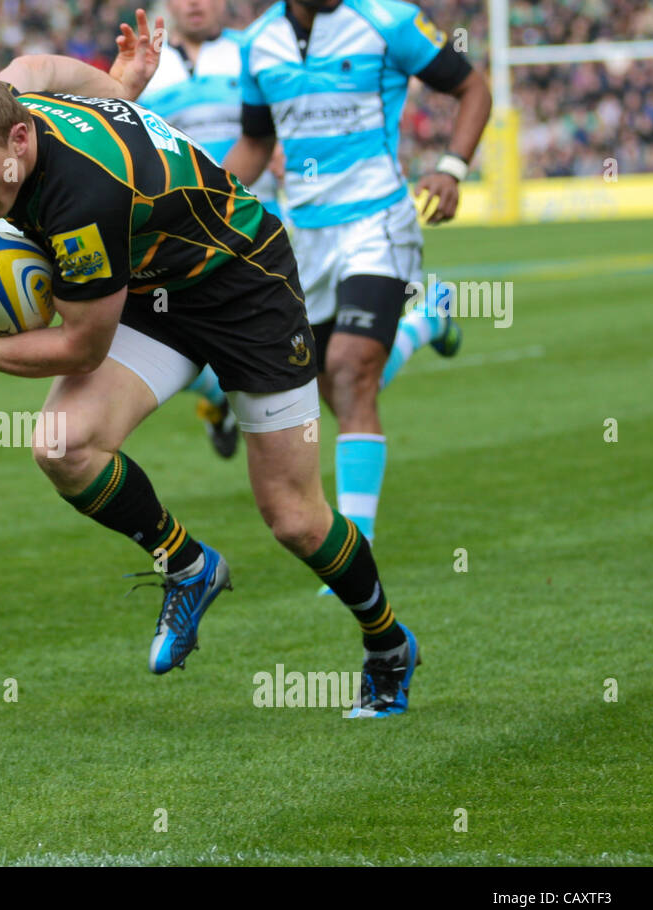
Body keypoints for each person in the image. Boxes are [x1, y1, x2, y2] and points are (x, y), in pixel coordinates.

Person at [0, 37, 421, 716]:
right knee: (64, 446)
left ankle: (387, 642)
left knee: (294, 518)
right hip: (156, 288)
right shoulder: (15, 91)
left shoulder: (81, 201)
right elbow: (39, 65)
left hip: (245, 288)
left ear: (19, 132)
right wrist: (118, 86)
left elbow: (82, 348)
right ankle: (188, 565)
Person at [222, 0, 491, 562]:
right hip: (308, 238)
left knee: (349, 368)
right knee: (332, 384)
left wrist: (452, 167)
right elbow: (256, 143)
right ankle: (426, 322)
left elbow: (473, 89)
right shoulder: (258, 43)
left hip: (379, 223)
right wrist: (200, 201)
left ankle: (353, 550)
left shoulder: (388, 20)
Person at [121, 0, 286, 459]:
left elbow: (283, 117)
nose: (195, 4)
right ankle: (218, 400)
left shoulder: (252, 51)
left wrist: (287, 149)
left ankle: (423, 323)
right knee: (170, 337)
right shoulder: (145, 64)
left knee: (314, 356)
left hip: (260, 226)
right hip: (181, 233)